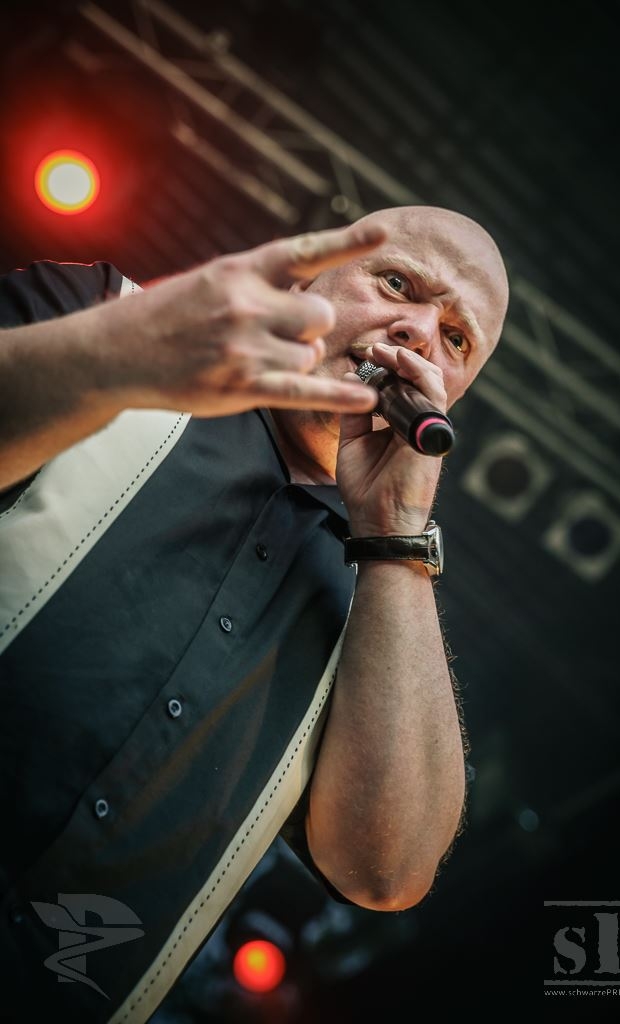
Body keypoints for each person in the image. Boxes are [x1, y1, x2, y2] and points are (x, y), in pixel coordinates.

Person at [0, 205, 509, 1022]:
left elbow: (385, 873)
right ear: (308, 282)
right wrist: (120, 350)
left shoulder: (384, 609)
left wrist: (394, 540)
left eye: (455, 340)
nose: (417, 334)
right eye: (396, 284)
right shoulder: (102, 317)